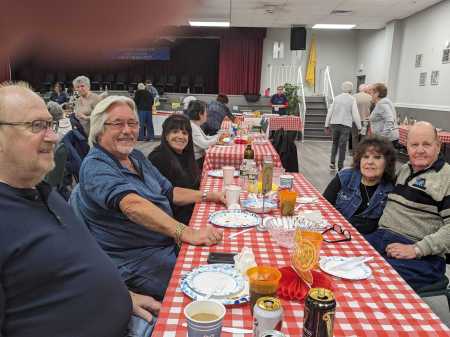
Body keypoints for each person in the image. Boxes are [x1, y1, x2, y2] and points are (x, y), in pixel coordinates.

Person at [0, 82, 159, 337]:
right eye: (36, 126)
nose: (53, 137)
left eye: (50, 125)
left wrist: (122, 296)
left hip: (134, 314)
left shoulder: (43, 193)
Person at [70, 95, 224, 303]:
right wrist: (186, 232)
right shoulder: (96, 165)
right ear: (99, 129)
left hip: (165, 244)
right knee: (212, 285)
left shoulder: (136, 157)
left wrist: (209, 195)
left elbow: (170, 192)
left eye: (132, 123)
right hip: (136, 261)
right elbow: (131, 205)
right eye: (118, 124)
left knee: (223, 257)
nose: (128, 130)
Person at [365, 121, 450, 291]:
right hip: (381, 238)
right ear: (407, 146)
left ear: (438, 146)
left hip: (422, 256)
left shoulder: (446, 177)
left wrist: (416, 249)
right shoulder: (405, 169)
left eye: (426, 144)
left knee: (370, 277)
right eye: (414, 145)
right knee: (343, 257)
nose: (419, 150)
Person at [323, 136, 396, 234]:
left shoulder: (391, 190)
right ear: (359, 160)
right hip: (332, 232)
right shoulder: (345, 177)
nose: (370, 162)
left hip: (366, 242)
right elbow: (323, 206)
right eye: (365, 157)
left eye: (377, 157)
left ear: (387, 162)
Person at [148, 114, 200, 225]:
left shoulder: (185, 155)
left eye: (185, 133)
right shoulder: (158, 158)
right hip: (174, 222)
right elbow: (167, 198)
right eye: (175, 132)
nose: (181, 136)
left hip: (192, 209)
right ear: (166, 135)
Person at [325, 81, 361, 171]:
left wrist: (326, 125)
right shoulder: (352, 99)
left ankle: (332, 162)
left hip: (334, 124)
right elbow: (355, 114)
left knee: (335, 143)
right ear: (351, 89)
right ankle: (340, 165)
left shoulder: (336, 98)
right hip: (345, 125)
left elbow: (330, 111)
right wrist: (359, 127)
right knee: (343, 146)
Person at [187, 100, 218, 169]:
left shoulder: (195, 125)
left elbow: (206, 138)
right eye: (206, 111)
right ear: (200, 114)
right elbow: (204, 144)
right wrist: (218, 139)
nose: (207, 114)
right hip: (197, 162)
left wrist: (219, 135)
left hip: (199, 159)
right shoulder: (192, 126)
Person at [369, 83, 399, 148]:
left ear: (377, 94)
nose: (370, 95)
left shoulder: (382, 104)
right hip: (389, 138)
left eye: (371, 92)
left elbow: (390, 120)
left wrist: (383, 138)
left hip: (386, 140)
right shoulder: (383, 103)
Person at [352, 84, 372, 153]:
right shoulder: (370, 97)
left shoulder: (354, 96)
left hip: (355, 120)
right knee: (364, 137)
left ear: (359, 89)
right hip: (366, 120)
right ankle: (362, 152)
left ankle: (355, 153)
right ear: (365, 90)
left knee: (355, 137)